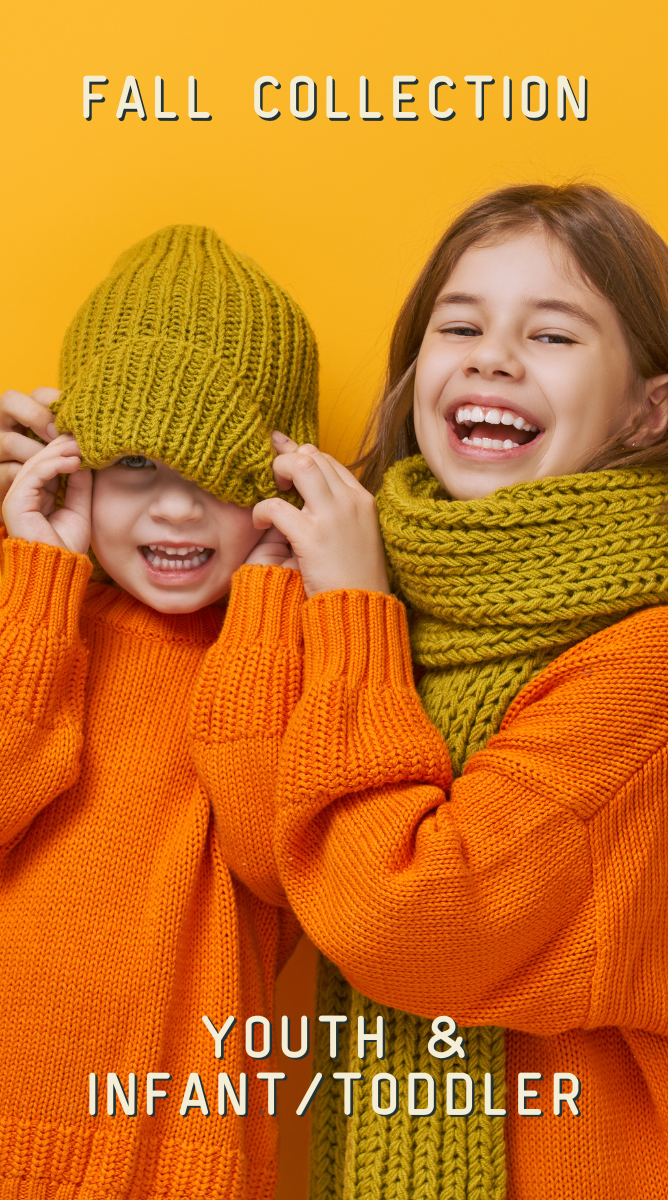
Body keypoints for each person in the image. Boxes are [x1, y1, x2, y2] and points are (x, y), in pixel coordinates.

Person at [253, 185, 668, 1199]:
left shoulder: (645, 667)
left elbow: (413, 923)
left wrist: (352, 614)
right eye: (459, 324)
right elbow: (264, 859)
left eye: (553, 334)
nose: (490, 356)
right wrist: (257, 566)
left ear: (645, 410)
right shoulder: (393, 608)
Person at [0, 224, 318, 1198]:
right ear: (73, 464)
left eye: (218, 477)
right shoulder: (36, 617)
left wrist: (269, 607)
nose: (176, 513)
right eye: (136, 465)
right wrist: (38, 573)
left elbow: (278, 869)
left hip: (189, 1166)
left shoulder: (286, 653)